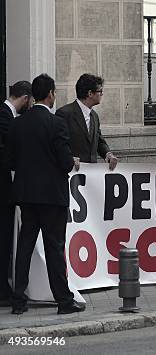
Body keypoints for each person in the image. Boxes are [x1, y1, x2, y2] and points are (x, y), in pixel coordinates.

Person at [7, 74, 84, 315]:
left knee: (25, 248)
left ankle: (18, 300)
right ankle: (63, 300)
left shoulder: (18, 123)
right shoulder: (56, 123)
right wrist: (71, 161)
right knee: (54, 248)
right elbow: (64, 163)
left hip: (26, 195)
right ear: (50, 94)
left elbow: (10, 160)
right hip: (52, 197)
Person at [0, 81, 32, 305]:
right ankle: (2, 291)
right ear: (26, 98)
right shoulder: (4, 116)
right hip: (3, 192)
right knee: (3, 240)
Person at [55, 73, 118, 171]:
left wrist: (108, 154)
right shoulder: (64, 114)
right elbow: (58, 144)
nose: (102, 94)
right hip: (72, 173)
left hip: (91, 175)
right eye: (100, 91)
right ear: (90, 93)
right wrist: (69, 159)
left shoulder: (94, 116)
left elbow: (99, 141)